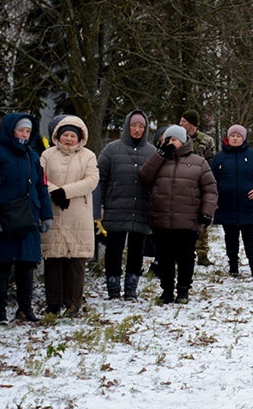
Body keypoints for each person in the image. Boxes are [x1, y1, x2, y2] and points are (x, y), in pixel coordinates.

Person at [0, 114, 54, 323]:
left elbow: (41, 186)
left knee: (27, 265)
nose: (24, 134)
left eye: (27, 131)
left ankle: (25, 308)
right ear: (9, 130)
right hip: (6, 217)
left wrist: (46, 214)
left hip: (29, 216)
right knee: (2, 266)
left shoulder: (32, 156)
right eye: (20, 130)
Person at [139, 124, 218, 303]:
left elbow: (210, 189)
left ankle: (183, 289)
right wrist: (159, 155)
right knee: (165, 257)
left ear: (183, 141)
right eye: (167, 140)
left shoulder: (199, 162)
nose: (170, 143)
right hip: (162, 219)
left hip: (188, 220)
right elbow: (144, 176)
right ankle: (166, 290)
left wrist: (207, 212)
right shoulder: (159, 160)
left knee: (186, 257)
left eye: (173, 139)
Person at [39, 116, 100, 316]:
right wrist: (54, 191)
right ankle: (53, 302)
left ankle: (73, 302)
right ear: (58, 135)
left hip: (77, 214)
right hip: (53, 211)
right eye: (65, 134)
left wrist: (65, 192)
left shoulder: (88, 156)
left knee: (76, 259)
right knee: (54, 258)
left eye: (72, 135)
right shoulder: (47, 155)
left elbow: (92, 180)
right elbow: (41, 178)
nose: (68, 139)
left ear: (79, 137)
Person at [97, 110, 155, 299]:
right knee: (114, 249)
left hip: (141, 209)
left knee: (137, 250)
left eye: (141, 126)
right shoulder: (111, 150)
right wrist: (100, 206)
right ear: (127, 126)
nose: (137, 130)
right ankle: (113, 288)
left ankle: (131, 288)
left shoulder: (152, 152)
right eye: (133, 125)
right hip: (115, 208)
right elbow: (100, 180)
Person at [211, 124, 253, 277]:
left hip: (247, 204)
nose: (235, 138)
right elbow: (211, 180)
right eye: (232, 136)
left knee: (250, 238)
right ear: (228, 138)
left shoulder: (252, 155)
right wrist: (214, 197)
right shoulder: (219, 158)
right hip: (226, 204)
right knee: (230, 238)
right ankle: (233, 266)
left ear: (243, 138)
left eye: (238, 136)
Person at [180, 110, 217, 266]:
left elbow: (212, 164)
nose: (181, 124)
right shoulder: (178, 139)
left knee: (202, 219)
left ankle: (202, 253)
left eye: (183, 121)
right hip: (182, 185)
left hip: (201, 184)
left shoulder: (207, 141)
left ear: (191, 123)